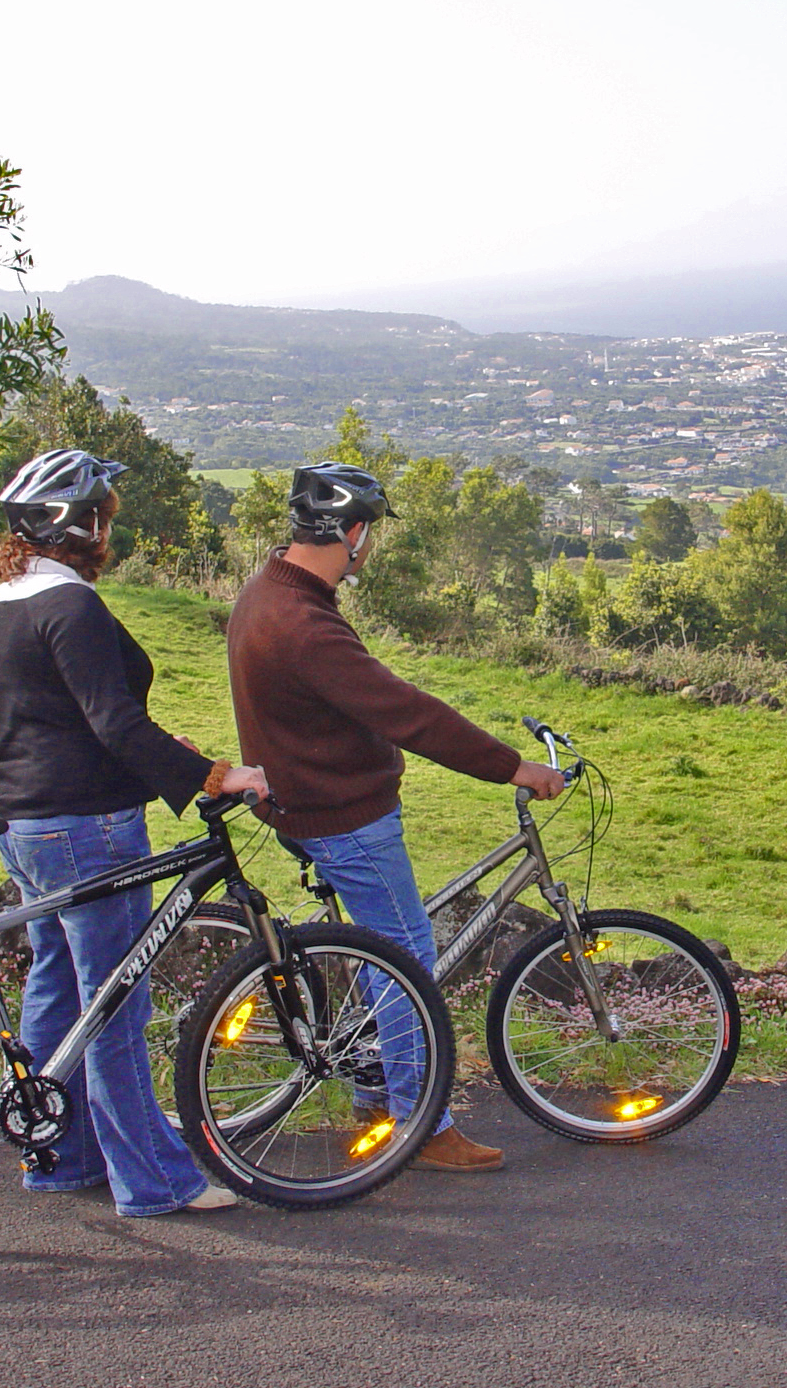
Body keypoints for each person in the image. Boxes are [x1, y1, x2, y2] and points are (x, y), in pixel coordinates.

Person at [226, 461, 567, 1172]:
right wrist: (516, 766)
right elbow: (409, 713)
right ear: (351, 534)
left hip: (302, 806)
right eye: (369, 533)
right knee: (405, 958)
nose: (370, 546)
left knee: (379, 954)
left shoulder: (266, 593)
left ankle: (374, 1084)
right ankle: (421, 1124)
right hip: (342, 815)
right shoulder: (305, 624)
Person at [0, 448, 268, 1217]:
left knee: (58, 988)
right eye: (103, 516)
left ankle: (61, 1156)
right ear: (78, 524)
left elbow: (56, 718)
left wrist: (162, 753)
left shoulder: (4, 601)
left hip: (27, 824)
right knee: (114, 1007)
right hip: (86, 827)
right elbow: (111, 722)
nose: (110, 529)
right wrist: (214, 775)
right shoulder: (71, 606)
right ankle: (156, 1182)